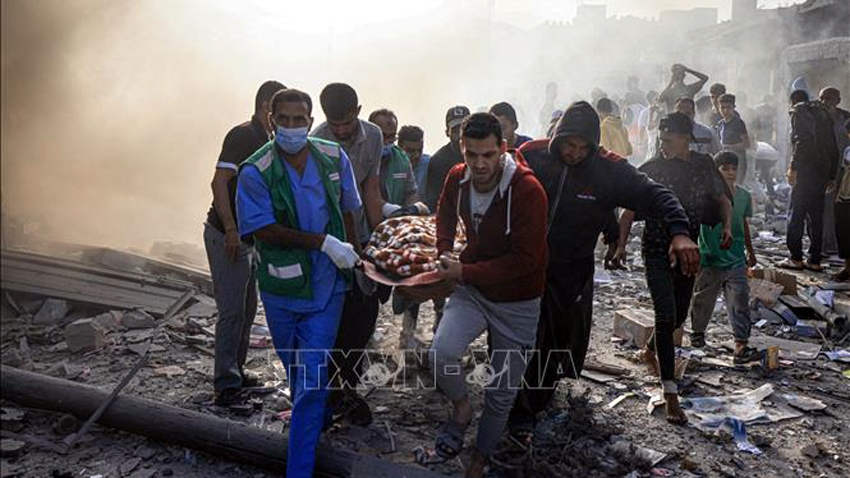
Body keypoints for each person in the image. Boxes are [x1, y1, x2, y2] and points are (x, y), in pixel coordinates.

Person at [505, 101, 696, 440]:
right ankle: (518, 409)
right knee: (522, 334)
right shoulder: (530, 155)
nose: (575, 153)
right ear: (556, 138)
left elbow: (656, 195)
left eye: (583, 148)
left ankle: (534, 401)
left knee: (557, 339)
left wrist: (679, 232)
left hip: (570, 268)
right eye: (568, 145)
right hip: (523, 263)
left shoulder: (609, 170)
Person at [235, 88, 362, 478]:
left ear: (311, 121)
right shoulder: (256, 171)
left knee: (307, 381)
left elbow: (349, 209)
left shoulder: (332, 156)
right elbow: (264, 230)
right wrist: (323, 242)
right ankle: (319, 416)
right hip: (281, 289)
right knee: (298, 373)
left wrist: (353, 255)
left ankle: (299, 469)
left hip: (327, 288)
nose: (292, 127)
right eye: (284, 120)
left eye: (299, 120)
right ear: (271, 121)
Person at [429, 112, 548, 478]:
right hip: (474, 289)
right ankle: (462, 408)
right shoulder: (456, 176)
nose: (479, 164)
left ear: (503, 150)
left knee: (501, 391)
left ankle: (480, 457)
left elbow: (525, 261)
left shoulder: (528, 191)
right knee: (441, 354)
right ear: (462, 150)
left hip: (518, 298)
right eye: (471, 155)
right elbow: (444, 214)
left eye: (488, 155)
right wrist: (445, 249)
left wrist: (463, 270)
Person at [618, 112, 732, 425]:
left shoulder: (703, 166)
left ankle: (650, 350)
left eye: (669, 139)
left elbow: (723, 200)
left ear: (685, 138)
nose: (663, 144)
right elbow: (628, 211)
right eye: (661, 139)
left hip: (689, 254)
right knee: (666, 315)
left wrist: (728, 227)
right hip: (655, 251)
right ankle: (670, 393)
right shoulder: (653, 169)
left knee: (679, 315)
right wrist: (620, 245)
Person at [204, 80, 284, 406]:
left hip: (249, 240)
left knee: (248, 309)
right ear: (266, 106)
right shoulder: (242, 135)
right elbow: (219, 182)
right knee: (232, 312)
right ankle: (225, 386)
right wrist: (232, 229)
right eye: (279, 111)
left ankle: (237, 371)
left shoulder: (268, 139)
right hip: (227, 236)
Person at [311, 83, 386, 425]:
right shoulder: (315, 140)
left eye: (346, 123)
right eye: (334, 123)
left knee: (364, 316)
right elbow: (319, 204)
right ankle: (326, 393)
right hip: (329, 242)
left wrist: (380, 237)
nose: (340, 131)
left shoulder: (373, 137)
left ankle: (347, 388)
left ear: (358, 110)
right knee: (331, 320)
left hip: (362, 238)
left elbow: (371, 189)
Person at [689, 152, 761, 363]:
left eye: (733, 168)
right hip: (710, 258)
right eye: (724, 168)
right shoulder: (704, 195)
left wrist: (751, 251)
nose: (730, 173)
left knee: (739, 301)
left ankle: (741, 344)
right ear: (716, 171)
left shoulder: (744, 196)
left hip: (736, 257)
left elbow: (744, 225)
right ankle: (698, 336)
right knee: (702, 300)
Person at [779, 90, 841, 272]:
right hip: (821, 174)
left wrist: (793, 168)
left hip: (805, 171)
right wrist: (831, 176)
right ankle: (814, 260)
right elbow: (834, 148)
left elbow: (801, 142)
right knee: (816, 217)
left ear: (793, 101)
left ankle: (796, 258)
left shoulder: (798, 112)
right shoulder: (824, 115)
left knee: (796, 215)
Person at [819, 87, 850, 258]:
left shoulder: (846, 118)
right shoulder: (816, 118)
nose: (825, 102)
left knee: (842, 208)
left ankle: (839, 244)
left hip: (845, 170)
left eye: (829, 99)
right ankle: (826, 243)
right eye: (822, 98)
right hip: (825, 170)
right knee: (826, 207)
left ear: (838, 101)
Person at [424, 106, 470, 212]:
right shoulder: (438, 161)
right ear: (447, 132)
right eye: (455, 130)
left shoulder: (483, 153)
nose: (460, 135)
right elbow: (436, 201)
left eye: (463, 129)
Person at [717, 94, 751, 184]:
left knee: (736, 186)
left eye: (728, 108)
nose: (725, 110)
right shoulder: (720, 124)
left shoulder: (738, 123)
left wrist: (728, 147)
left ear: (733, 107)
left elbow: (746, 144)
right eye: (722, 107)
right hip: (724, 161)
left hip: (738, 160)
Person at [833, 119, 850, 282]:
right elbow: (843, 174)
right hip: (845, 197)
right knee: (844, 235)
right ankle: (847, 268)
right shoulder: (847, 151)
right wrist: (838, 194)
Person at [398, 125, 430, 195]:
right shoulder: (389, 165)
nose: (416, 155)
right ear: (399, 148)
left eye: (420, 150)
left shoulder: (430, 164)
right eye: (410, 151)